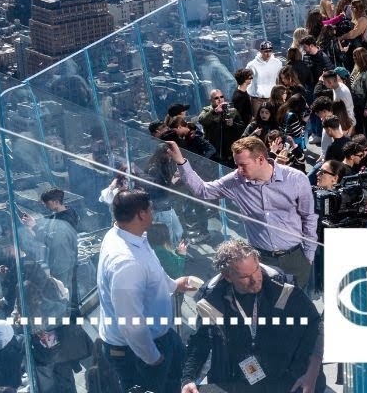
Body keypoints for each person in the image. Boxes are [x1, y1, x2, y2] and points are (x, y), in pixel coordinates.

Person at [170, 136, 317, 286]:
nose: (239, 170)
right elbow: (203, 191)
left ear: (260, 159)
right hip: (260, 260)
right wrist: (181, 162)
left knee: (297, 299)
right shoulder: (236, 181)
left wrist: (309, 255)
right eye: (237, 165)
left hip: (295, 257)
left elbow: (309, 217)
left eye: (243, 165)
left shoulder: (296, 179)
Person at [182, 241, 322, 393]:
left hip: (283, 376)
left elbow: (316, 325)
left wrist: (312, 373)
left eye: (256, 270)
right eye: (245, 276)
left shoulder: (283, 287)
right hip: (237, 379)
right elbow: (200, 341)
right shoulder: (212, 301)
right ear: (228, 276)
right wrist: (188, 379)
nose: (255, 279)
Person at [96, 190, 194, 393]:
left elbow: (151, 270)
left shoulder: (126, 236)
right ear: (141, 214)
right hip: (138, 351)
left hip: (159, 337)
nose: (153, 213)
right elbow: (131, 322)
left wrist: (174, 285)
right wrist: (153, 358)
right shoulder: (126, 263)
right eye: (151, 209)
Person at [246, 41, 282, 106]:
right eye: (266, 51)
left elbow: (279, 79)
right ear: (260, 51)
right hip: (257, 99)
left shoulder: (278, 63)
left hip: (272, 97)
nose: (268, 54)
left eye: (270, 51)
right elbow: (246, 81)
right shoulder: (252, 65)